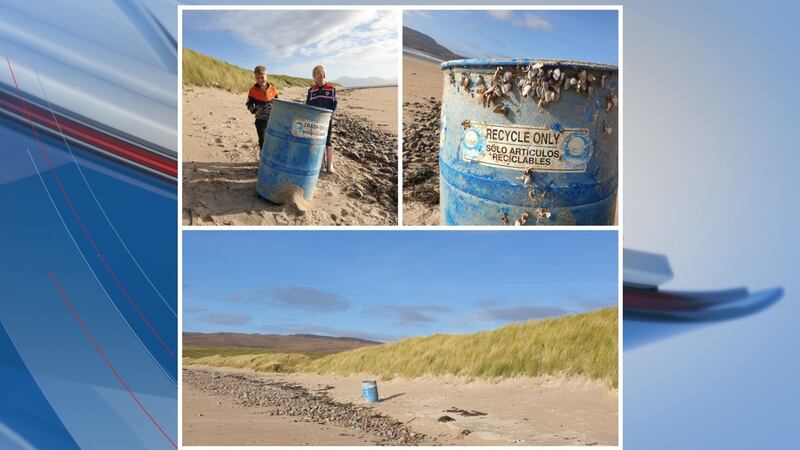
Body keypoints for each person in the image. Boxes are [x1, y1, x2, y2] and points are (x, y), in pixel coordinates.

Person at [306, 65, 337, 173]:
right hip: (315, 121)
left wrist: (331, 115)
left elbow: (334, 105)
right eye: (317, 74)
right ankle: (322, 163)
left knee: (328, 140)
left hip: (327, 120)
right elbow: (308, 106)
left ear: (324, 74)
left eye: (321, 73)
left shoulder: (331, 89)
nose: (320, 75)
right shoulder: (311, 91)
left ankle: (330, 164)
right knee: (318, 140)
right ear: (314, 76)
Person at [246, 65, 278, 151]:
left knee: (271, 139)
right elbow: (249, 103)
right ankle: (262, 155)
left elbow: (278, 104)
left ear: (266, 76)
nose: (260, 80)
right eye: (257, 78)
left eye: (262, 77)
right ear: (255, 77)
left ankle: (270, 154)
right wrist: (254, 111)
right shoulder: (252, 90)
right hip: (260, 120)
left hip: (272, 120)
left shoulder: (273, 89)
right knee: (262, 139)